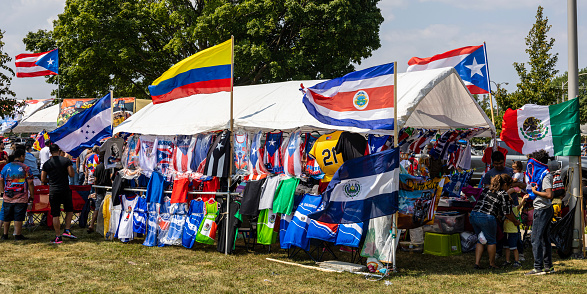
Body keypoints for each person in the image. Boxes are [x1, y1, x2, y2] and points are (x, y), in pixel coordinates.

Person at [470, 174, 521, 269]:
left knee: (480, 239)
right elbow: (507, 213)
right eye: (509, 186)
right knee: (491, 241)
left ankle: (477, 264)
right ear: (505, 184)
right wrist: (515, 221)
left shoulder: (486, 189)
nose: (509, 188)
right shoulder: (503, 194)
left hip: (474, 215)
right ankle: (492, 264)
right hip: (487, 217)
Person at [525, 149, 554, 275]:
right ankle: (548, 267)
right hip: (544, 209)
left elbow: (549, 194)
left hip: (542, 210)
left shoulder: (546, 175)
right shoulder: (542, 174)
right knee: (544, 239)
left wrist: (535, 192)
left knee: (535, 238)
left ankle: (538, 267)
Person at [41, 144, 77, 244]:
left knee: (55, 214)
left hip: (54, 190)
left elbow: (43, 179)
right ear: (59, 150)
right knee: (69, 210)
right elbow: (71, 174)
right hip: (65, 188)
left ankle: (58, 236)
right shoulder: (66, 161)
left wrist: (51, 179)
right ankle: (67, 229)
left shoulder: (47, 164)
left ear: (50, 152)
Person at [0, 148, 34, 241]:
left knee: (7, 217)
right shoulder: (25, 168)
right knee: (18, 216)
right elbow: (30, 182)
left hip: (8, 196)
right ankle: (17, 235)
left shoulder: (6, 167)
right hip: (21, 197)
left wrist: (3, 191)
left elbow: (1, 179)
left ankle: (5, 234)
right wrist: (32, 195)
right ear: (22, 156)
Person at [503, 193, 529, 268]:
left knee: (514, 248)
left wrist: (523, 199)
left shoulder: (514, 209)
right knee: (506, 247)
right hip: (506, 231)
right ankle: (507, 261)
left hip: (513, 232)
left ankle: (517, 261)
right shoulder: (504, 210)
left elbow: (520, 205)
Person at [87, 151, 111, 233]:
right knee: (108, 208)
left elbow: (95, 180)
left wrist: (96, 191)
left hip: (99, 189)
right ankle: (107, 225)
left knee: (97, 208)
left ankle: (92, 224)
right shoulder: (109, 167)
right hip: (108, 190)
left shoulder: (98, 167)